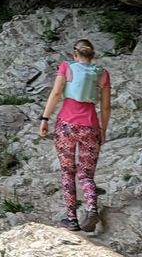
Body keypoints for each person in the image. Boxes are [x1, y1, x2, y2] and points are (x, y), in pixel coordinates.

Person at [39, 38, 110, 231]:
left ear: (74, 54)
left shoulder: (66, 68)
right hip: (91, 127)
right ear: (92, 55)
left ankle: (71, 218)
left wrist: (45, 119)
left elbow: (55, 94)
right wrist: (103, 130)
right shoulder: (102, 74)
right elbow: (105, 106)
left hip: (66, 126)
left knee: (67, 172)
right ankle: (91, 208)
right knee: (86, 174)